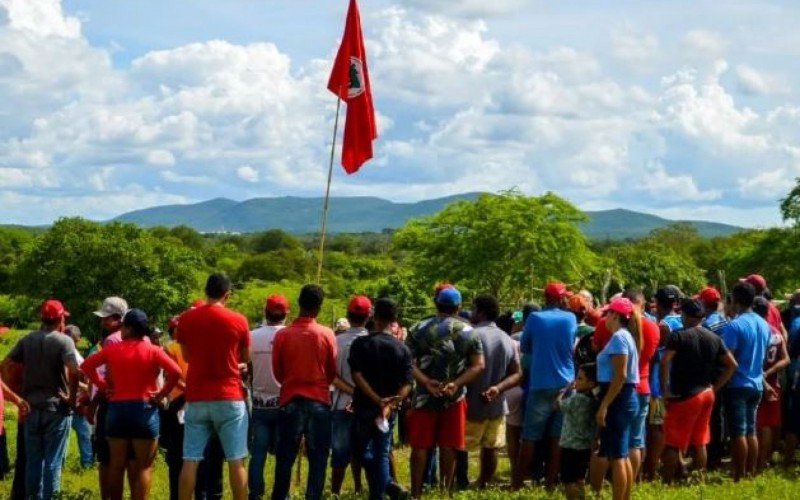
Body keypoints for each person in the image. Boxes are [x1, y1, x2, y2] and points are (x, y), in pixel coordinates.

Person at [81, 309, 183, 500]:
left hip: (117, 410)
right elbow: (176, 372)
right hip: (144, 410)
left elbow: (86, 367)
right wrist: (161, 394)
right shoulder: (154, 350)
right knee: (144, 466)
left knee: (116, 465)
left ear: (127, 328)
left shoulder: (111, 349)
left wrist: (103, 386)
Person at [177, 274, 251, 500]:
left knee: (191, 459)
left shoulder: (187, 319)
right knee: (236, 459)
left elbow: (187, 356)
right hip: (229, 395)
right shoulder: (238, 320)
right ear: (227, 295)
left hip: (197, 395)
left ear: (206, 291)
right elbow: (245, 358)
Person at [406, 286, 484, 498]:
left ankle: (416, 494)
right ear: (459, 307)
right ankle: (444, 492)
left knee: (420, 447)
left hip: (423, 396)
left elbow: (409, 363)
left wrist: (426, 382)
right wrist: (456, 384)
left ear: (436, 303)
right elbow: (478, 365)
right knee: (449, 446)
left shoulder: (417, 328)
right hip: (454, 397)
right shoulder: (469, 331)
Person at [3, 299, 79, 499]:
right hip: (56, 408)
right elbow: (74, 370)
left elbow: (6, 364)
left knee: (33, 461)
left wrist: (17, 394)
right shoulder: (64, 341)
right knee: (53, 461)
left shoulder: (27, 340)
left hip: (31, 408)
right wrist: (71, 399)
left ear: (41, 318)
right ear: (61, 318)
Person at [659, 298, 737, 483]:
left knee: (672, 441)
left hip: (684, 395)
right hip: (706, 393)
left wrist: (665, 390)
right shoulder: (714, 337)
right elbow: (732, 365)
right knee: (701, 440)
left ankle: (667, 482)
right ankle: (699, 479)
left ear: (685, 315)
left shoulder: (678, 336)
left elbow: (664, 361)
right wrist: (715, 387)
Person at [271, 284, 337, 500]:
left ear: (298, 304)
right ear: (319, 307)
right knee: (318, 458)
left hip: (290, 399)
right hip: (319, 400)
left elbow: (277, 371)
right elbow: (331, 372)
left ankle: (280, 496)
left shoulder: (283, 335)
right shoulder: (327, 334)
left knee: (285, 457)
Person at [349, 298, 413, 500]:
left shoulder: (360, 344)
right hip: (387, 411)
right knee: (382, 453)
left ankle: (384, 486)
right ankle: (386, 485)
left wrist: (377, 400)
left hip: (364, 407)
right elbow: (407, 383)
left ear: (374, 317)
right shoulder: (402, 348)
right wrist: (391, 403)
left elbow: (357, 376)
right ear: (394, 319)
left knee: (359, 451)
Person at [514, 282, 576, 490]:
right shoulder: (571, 318)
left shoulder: (534, 318)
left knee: (530, 436)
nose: (567, 299)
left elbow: (525, 346)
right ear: (559, 298)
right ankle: (550, 484)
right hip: (566, 385)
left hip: (540, 383)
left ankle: (518, 483)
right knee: (557, 437)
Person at [464, 295, 521, 488]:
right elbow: (517, 374)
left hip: (470, 403)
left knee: (460, 447)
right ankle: (484, 482)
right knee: (492, 447)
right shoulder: (507, 339)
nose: (471, 312)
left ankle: (460, 481)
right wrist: (497, 389)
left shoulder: (470, 335)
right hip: (496, 404)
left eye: (473, 308)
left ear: (481, 312)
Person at [721, 282, 771, 481]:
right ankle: (751, 471)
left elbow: (728, 359)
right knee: (751, 430)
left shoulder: (735, 325)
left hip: (738, 384)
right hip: (757, 383)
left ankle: (739, 474)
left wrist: (718, 383)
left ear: (736, 300)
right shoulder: (763, 324)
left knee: (738, 432)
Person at [595, 297, 639, 500]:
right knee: (621, 452)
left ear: (615, 315)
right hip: (623, 397)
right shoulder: (624, 336)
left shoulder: (620, 338)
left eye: (607, 313)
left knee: (617, 455)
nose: (604, 317)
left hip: (618, 398)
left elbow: (620, 375)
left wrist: (604, 405)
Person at [248, 294, 289, 500]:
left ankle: (255, 493)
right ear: (286, 314)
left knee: (258, 454)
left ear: (265, 312)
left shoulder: (252, 336)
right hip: (285, 403)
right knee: (283, 455)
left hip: (260, 403)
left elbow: (248, 368)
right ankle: (281, 495)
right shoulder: (291, 335)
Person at [331, 296, 371, 496]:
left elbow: (332, 376)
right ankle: (363, 486)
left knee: (340, 451)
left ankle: (336, 492)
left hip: (341, 403)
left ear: (348, 315)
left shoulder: (335, 341)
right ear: (368, 316)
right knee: (368, 449)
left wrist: (352, 393)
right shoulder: (373, 341)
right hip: (369, 403)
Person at [643, 285, 683, 480]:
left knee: (657, 427)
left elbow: (654, 355)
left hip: (661, 384)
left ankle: (651, 469)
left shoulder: (664, 326)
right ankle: (678, 465)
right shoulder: (682, 320)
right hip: (679, 381)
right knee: (673, 426)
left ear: (657, 303)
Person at [92, 296, 130, 499]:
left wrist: (94, 401)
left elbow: (106, 376)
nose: (102, 322)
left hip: (112, 404)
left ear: (118, 318)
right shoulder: (140, 338)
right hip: (134, 404)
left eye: (106, 318)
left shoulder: (111, 340)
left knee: (107, 459)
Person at [753, 297, 789, 472]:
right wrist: (770, 373)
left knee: (760, 426)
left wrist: (763, 374)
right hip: (773, 382)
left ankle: (755, 465)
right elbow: (786, 359)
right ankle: (763, 462)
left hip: (758, 382)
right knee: (769, 424)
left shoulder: (758, 330)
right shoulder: (776, 332)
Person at [558, 364, 598, 500]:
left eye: (580, 379)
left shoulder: (576, 399)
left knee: (568, 480)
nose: (576, 381)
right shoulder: (594, 400)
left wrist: (564, 392)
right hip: (585, 446)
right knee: (580, 478)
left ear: (591, 383)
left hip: (570, 446)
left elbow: (557, 405)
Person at [64, 324, 94, 469]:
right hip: (70, 401)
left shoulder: (75, 355)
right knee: (80, 435)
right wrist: (87, 390)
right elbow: (73, 379)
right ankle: (86, 463)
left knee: (81, 435)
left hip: (73, 401)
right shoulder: (71, 355)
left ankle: (86, 464)